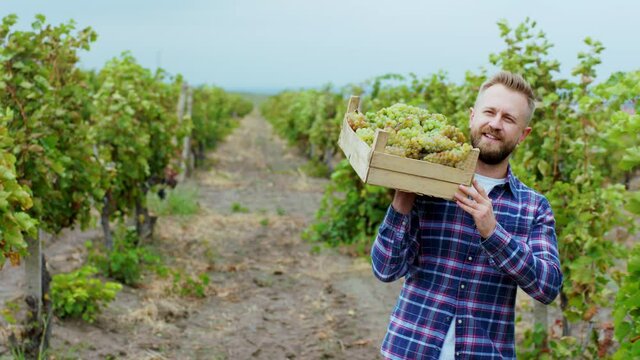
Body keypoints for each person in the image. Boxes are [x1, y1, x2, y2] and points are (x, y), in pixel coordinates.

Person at [371, 71, 562, 360]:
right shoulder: (429, 186)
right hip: (410, 349)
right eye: (489, 112)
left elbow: (548, 287)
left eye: (508, 119)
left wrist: (493, 232)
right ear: (473, 116)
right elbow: (385, 269)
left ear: (523, 134)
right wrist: (403, 198)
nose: (495, 124)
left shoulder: (533, 207)